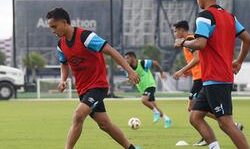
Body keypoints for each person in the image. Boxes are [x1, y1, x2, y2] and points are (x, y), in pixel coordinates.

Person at [46, 8, 141, 149]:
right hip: (83, 89)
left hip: (98, 86)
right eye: (50, 28)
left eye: (54, 27)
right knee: (105, 125)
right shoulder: (61, 45)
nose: (52, 31)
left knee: (78, 115)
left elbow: (111, 51)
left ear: (64, 22)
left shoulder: (86, 37)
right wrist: (63, 80)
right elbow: (64, 64)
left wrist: (130, 71)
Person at [174, 0, 250, 149]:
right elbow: (247, 39)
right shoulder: (230, 17)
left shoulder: (204, 16)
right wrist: (238, 61)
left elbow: (200, 43)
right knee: (195, 116)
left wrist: (183, 42)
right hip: (213, 78)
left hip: (216, 78)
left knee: (226, 123)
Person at [173, 20, 243, 147]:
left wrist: (181, 70)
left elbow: (197, 58)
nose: (175, 34)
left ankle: (228, 126)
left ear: (182, 30)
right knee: (196, 112)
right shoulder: (191, 41)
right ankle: (211, 135)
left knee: (193, 110)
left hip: (202, 78)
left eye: (175, 31)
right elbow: (200, 59)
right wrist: (189, 71)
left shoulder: (189, 41)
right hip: (200, 77)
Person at [124, 51, 172, 128]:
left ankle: (155, 112)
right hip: (143, 89)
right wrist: (129, 80)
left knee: (144, 100)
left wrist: (161, 73)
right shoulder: (128, 68)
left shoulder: (142, 63)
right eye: (125, 58)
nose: (126, 60)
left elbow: (155, 63)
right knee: (154, 105)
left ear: (133, 58)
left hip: (150, 85)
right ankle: (167, 119)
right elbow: (129, 78)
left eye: (127, 58)